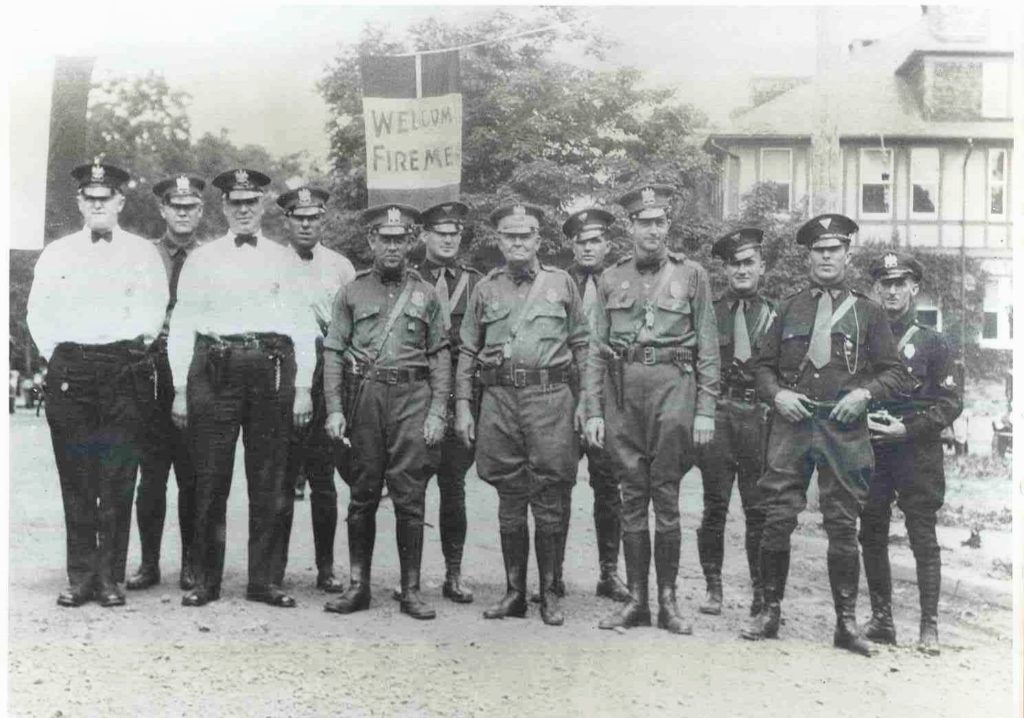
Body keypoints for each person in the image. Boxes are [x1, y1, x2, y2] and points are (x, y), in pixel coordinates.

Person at [742, 214, 905, 656]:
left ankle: (846, 624)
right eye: (819, 250)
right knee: (777, 517)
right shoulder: (787, 308)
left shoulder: (869, 313)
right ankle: (769, 612)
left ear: (848, 255)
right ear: (808, 256)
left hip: (843, 427)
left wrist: (865, 394)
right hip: (792, 426)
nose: (826, 257)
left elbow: (893, 373)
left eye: (834, 250)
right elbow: (760, 367)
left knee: (841, 524)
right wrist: (776, 396)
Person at [168, 168, 317, 608]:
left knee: (269, 479)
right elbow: (182, 326)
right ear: (224, 207)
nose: (245, 209)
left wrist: (305, 386)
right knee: (210, 478)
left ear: (265, 204)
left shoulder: (284, 259)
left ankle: (265, 581)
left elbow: (303, 328)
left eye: (252, 201)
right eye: (236, 203)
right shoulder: (202, 259)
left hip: (271, 369)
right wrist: (179, 387)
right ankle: (206, 580)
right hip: (214, 369)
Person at [27, 159, 168, 607]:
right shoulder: (58, 254)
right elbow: (38, 313)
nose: (98, 205)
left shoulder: (142, 253)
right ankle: (81, 576)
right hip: (72, 369)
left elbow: (153, 310)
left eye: (106, 198)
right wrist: (60, 359)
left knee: (119, 476)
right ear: (80, 203)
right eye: (90, 198)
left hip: (123, 367)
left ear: (120, 201)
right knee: (76, 477)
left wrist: (128, 350)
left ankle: (111, 578)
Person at [583, 184, 720, 635]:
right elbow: (595, 352)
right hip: (624, 395)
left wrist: (705, 409)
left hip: (673, 392)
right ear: (630, 226)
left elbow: (707, 348)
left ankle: (668, 602)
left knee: (667, 497)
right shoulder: (611, 278)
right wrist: (595, 411)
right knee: (631, 497)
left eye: (659, 222)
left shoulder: (692, 275)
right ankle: (637, 600)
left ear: (668, 226)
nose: (652, 230)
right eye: (644, 222)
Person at [455, 202, 589, 627]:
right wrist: (462, 405)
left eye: (525, 234)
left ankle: (549, 593)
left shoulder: (561, 283)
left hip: (550, 398)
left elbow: (583, 345)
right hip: (499, 401)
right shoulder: (486, 288)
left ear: (538, 239)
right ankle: (514, 593)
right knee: (510, 497)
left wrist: (588, 401)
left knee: (550, 496)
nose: (517, 242)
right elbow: (466, 350)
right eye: (509, 235)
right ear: (499, 240)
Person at [322, 203, 449, 621]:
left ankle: (410, 590)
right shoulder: (352, 292)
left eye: (400, 239)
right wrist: (335, 408)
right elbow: (335, 352)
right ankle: (358, 586)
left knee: (411, 497)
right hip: (367, 399)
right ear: (371, 241)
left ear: (411, 242)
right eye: (385, 239)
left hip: (412, 399)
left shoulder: (427, 294)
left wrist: (437, 412)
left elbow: (440, 356)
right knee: (362, 495)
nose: (392, 247)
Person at [859, 252, 962, 655]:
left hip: (917, 449)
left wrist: (911, 428)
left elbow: (952, 401)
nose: (892, 290)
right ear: (876, 289)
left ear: (914, 288)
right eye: (885, 283)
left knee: (923, 535)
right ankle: (882, 619)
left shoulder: (933, 342)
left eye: (900, 283)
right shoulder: (866, 338)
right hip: (875, 446)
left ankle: (928, 626)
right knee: (870, 530)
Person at [399, 200, 481, 604]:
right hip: (417, 394)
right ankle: (409, 579)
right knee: (411, 484)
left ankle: (453, 573)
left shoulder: (475, 281)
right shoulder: (408, 282)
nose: (448, 240)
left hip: (460, 396)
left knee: (454, 486)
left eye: (455, 233)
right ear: (424, 236)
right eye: (440, 233)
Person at [275, 186, 356, 593]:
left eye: (313, 217)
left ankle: (326, 568)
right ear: (286, 221)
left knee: (323, 477)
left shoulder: (341, 267)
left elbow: (350, 327)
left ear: (323, 220)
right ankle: (275, 568)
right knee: (280, 475)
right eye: (297, 217)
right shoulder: (269, 264)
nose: (305, 224)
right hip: (280, 370)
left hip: (326, 371)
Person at [126, 174, 205, 592]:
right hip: (151, 371)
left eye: (190, 206)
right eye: (175, 206)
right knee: (151, 474)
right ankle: (149, 563)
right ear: (162, 210)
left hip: (197, 370)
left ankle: (192, 563)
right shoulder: (144, 256)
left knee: (192, 474)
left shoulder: (211, 258)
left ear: (201, 211)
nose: (183, 213)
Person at [695, 228, 775, 617]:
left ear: (762, 266)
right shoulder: (710, 311)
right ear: (725, 269)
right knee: (714, 505)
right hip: (721, 414)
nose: (742, 270)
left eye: (749, 263)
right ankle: (713, 587)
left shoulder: (776, 315)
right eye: (734, 264)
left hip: (760, 418)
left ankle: (761, 591)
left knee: (758, 507)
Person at [559, 207, 629, 603]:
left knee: (608, 485)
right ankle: (555, 573)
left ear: (607, 244)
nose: (588, 248)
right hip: (565, 394)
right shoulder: (556, 282)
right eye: (581, 241)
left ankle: (609, 573)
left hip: (607, 395)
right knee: (558, 483)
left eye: (595, 240)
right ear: (572, 245)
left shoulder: (622, 282)